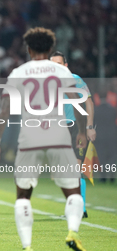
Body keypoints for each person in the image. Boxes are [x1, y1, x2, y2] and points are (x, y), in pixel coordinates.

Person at [0, 27, 88, 251]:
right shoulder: (62, 71)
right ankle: (72, 232)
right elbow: (78, 104)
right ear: (51, 48)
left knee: (23, 195)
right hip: (59, 137)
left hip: (29, 139)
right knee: (73, 191)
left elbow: (4, 110)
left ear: (28, 49)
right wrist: (82, 131)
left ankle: (27, 247)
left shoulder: (18, 72)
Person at [50, 51, 96, 218]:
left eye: (59, 64)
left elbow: (88, 102)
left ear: (66, 65)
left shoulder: (75, 79)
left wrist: (90, 126)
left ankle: (79, 210)